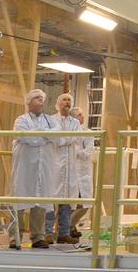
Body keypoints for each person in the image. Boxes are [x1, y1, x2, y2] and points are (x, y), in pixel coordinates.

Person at [11, 89, 57, 249]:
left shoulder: (50, 120)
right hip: (25, 165)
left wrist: (40, 134)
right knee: (19, 199)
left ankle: (38, 237)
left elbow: (57, 135)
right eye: (37, 98)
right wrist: (44, 135)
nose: (41, 101)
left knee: (40, 199)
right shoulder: (20, 120)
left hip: (43, 165)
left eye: (42, 98)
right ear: (29, 102)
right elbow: (26, 137)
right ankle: (15, 236)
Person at [45, 94, 87, 245]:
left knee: (67, 201)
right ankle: (47, 232)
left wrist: (64, 139)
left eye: (69, 100)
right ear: (58, 103)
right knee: (51, 199)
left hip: (70, 166)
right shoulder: (51, 120)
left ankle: (63, 233)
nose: (67, 102)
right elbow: (54, 139)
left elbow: (78, 138)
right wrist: (66, 139)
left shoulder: (75, 122)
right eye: (64, 99)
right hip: (55, 165)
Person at [70, 105, 96, 240]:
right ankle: (69, 228)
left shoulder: (87, 132)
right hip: (71, 172)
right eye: (80, 114)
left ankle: (69, 225)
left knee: (85, 204)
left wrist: (77, 152)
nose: (82, 116)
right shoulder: (69, 131)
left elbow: (87, 152)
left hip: (84, 172)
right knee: (70, 204)